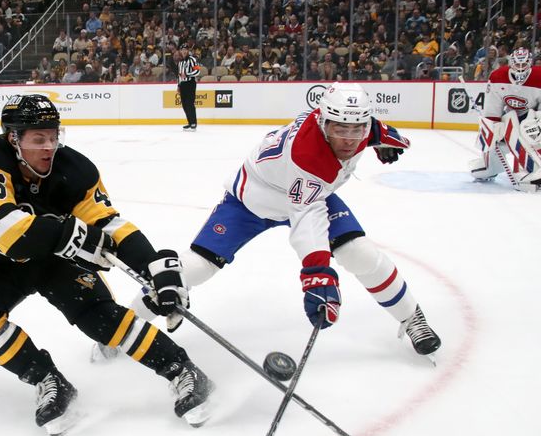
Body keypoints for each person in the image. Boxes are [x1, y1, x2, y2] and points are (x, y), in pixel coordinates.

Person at [100, 83, 441, 361]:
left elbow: (368, 129)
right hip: (253, 201)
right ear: (323, 124)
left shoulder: (349, 127)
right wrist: (317, 276)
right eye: (341, 129)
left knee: (361, 254)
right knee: (195, 268)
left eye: (357, 129)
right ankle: (120, 330)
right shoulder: (311, 159)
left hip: (307, 194)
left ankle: (412, 317)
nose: (350, 139)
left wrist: (380, 137)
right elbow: (308, 221)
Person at [0, 94, 215, 436]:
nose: (49, 147)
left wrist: (150, 264)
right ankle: (49, 380)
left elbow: (108, 223)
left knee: (100, 316)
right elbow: (11, 233)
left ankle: (183, 370)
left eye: (53, 136)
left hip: (52, 259)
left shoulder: (76, 169)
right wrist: (71, 231)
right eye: (37, 139)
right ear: (12, 139)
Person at [468, 47, 541, 189]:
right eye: (517, 64)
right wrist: (493, 127)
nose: (520, 68)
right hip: (509, 114)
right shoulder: (498, 76)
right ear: (511, 63)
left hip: (530, 116)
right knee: (495, 135)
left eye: (523, 64)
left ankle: (537, 169)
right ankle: (492, 166)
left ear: (530, 63)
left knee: (524, 132)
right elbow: (492, 110)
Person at [177, 44, 200, 131]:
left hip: (190, 83)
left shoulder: (192, 59)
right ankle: (190, 122)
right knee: (184, 105)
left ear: (188, 51)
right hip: (183, 85)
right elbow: (179, 75)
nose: (184, 51)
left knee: (190, 103)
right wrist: (178, 85)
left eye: (186, 49)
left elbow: (197, 71)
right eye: (182, 50)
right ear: (180, 51)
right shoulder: (180, 62)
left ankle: (193, 123)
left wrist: (187, 74)